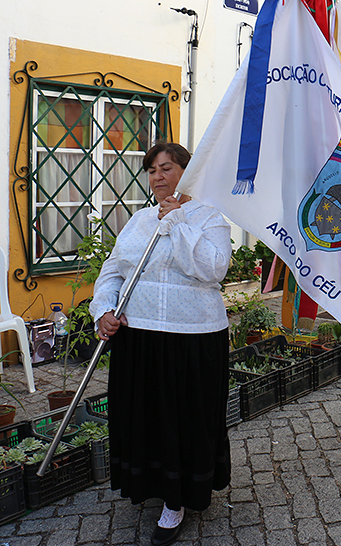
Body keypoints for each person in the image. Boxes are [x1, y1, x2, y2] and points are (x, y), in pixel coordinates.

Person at [91, 142, 233, 546]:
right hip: (139, 337)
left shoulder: (209, 218)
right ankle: (151, 484)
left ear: (187, 173)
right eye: (152, 170)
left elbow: (212, 269)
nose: (157, 176)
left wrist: (177, 223)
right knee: (146, 417)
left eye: (167, 168)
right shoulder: (139, 220)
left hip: (191, 340)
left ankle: (177, 501)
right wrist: (103, 309)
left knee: (183, 421)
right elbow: (114, 269)